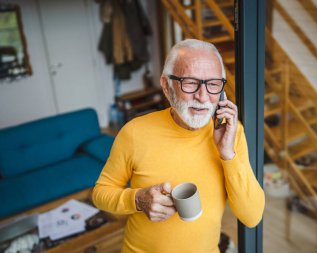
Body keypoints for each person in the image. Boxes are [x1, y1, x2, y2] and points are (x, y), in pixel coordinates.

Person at [92, 39, 265, 253]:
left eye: (213, 84)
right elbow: (100, 194)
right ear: (166, 85)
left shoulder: (231, 132)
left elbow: (252, 216)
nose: (203, 97)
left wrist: (228, 154)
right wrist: (137, 200)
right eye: (191, 82)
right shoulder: (135, 132)